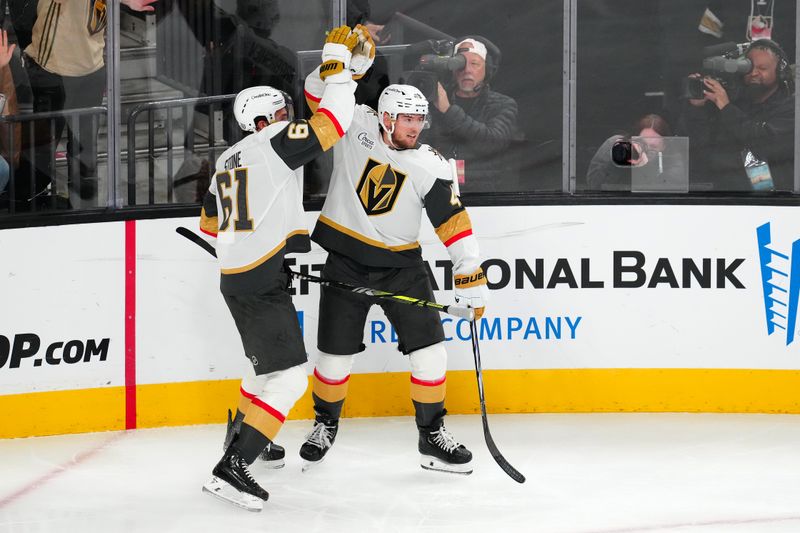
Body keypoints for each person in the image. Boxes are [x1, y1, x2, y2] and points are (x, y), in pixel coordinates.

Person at [198, 25, 361, 511]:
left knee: (261, 371)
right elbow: (334, 122)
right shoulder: (273, 142)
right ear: (267, 117)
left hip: (237, 277)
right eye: (284, 113)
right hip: (260, 278)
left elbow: (210, 227)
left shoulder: (228, 156)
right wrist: (338, 61)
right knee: (290, 378)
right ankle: (234, 466)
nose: (291, 118)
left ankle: (245, 437)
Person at [301, 58, 490, 474]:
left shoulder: (431, 164)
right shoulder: (357, 124)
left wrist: (469, 270)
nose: (415, 127)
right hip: (345, 261)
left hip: (402, 267)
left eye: (420, 119)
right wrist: (340, 66)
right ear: (385, 116)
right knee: (333, 359)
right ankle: (324, 424)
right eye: (407, 118)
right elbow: (317, 96)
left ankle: (431, 434)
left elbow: (454, 224)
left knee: (430, 355)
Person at [20, 0, 157, 207]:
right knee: (41, 150)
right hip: (53, 69)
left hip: (92, 66)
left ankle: (83, 211)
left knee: (84, 153)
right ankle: (29, 203)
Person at [676, 38, 795, 191]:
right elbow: (701, 147)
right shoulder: (734, 102)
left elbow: (765, 144)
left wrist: (726, 107)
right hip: (725, 196)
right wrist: (697, 109)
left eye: (762, 68)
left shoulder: (791, 108)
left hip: (770, 202)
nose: (753, 73)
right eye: (748, 68)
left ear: (780, 72)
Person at [423, 36, 522, 193]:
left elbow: (492, 142)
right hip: (440, 192)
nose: (467, 70)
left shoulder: (503, 104)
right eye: (460, 63)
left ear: (486, 69)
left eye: (475, 64)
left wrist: (448, 110)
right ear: (452, 69)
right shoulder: (434, 100)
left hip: (485, 198)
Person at [587, 114, 688, 191]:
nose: (645, 149)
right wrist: (618, 160)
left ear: (664, 146)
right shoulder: (618, 145)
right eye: (642, 143)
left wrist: (646, 167)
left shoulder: (672, 159)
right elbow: (594, 185)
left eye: (653, 147)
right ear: (633, 139)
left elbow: (669, 192)